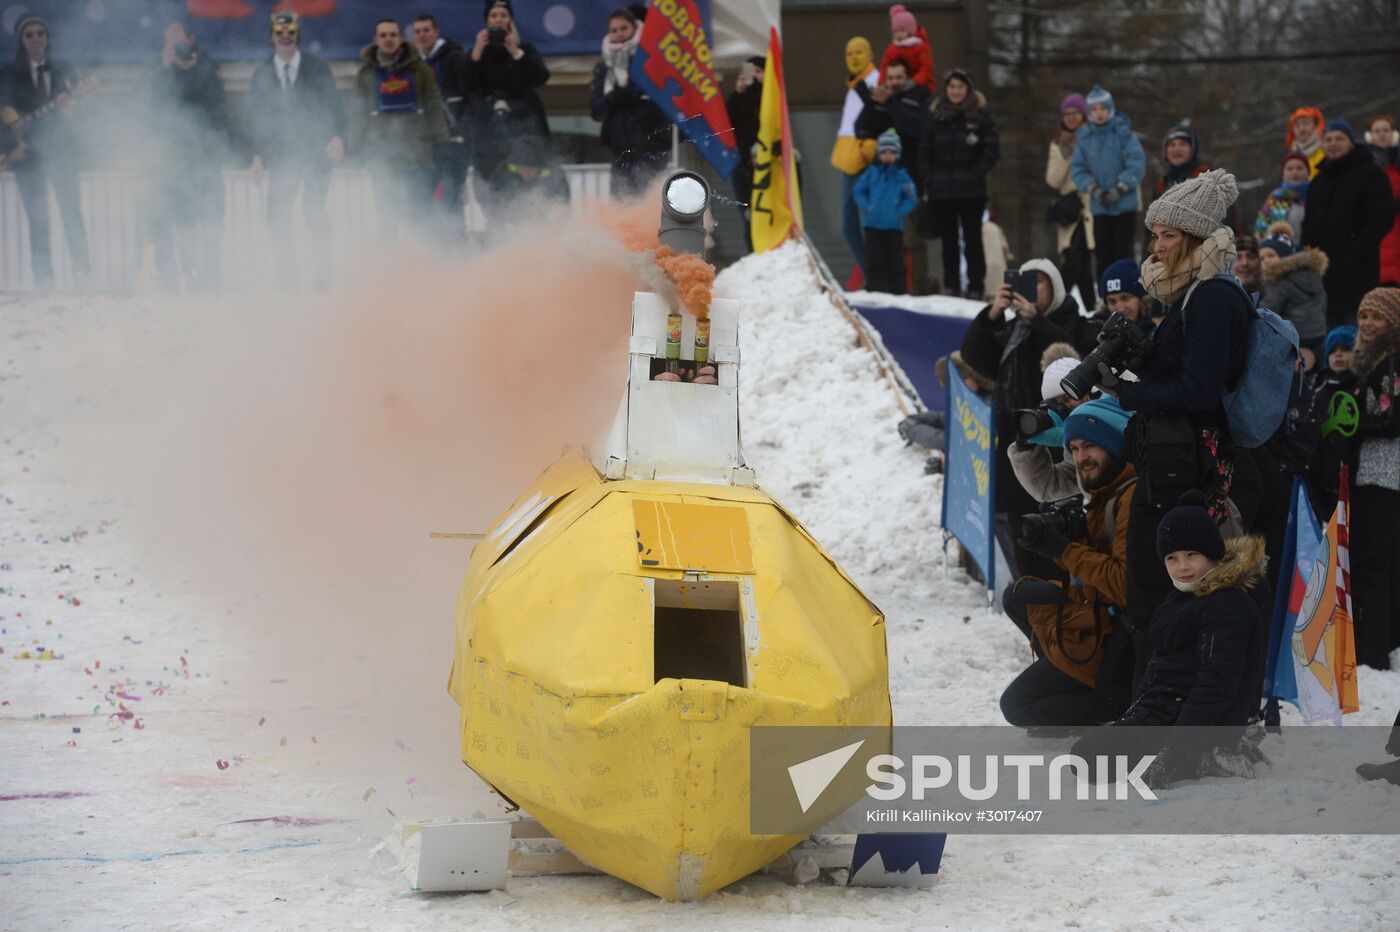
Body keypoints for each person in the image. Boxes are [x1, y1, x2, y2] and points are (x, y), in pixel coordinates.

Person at [1113, 169, 1258, 687]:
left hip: (1197, 469)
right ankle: (1153, 708)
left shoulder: (1213, 296)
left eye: (1168, 236)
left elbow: (1199, 392)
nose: (1158, 246)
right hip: (1176, 464)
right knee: (1156, 594)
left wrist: (1128, 391)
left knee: (1170, 596)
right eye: (1155, 235)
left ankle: (1167, 717)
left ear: (1195, 237)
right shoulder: (1189, 293)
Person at [1000, 396, 1138, 728]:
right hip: (1099, 610)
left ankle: (1114, 699)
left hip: (1122, 630)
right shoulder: (1105, 488)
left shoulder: (1131, 497)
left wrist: (1064, 550)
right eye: (1073, 448)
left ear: (1115, 444)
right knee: (1018, 595)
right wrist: (1063, 540)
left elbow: (1123, 585)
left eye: (1090, 446)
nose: (1080, 458)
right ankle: (1075, 673)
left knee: (1018, 707)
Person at [959, 258, 1085, 581]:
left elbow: (1074, 358)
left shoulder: (1071, 321)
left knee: (1058, 536)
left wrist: (1037, 320)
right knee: (1023, 534)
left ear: (1054, 287)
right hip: (1019, 442)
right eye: (1022, 282)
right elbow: (978, 359)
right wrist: (992, 315)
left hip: (1058, 448)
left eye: (1037, 282)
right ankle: (1034, 606)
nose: (1027, 290)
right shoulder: (1012, 329)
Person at [246, 10, 346, 291]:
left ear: (298, 34)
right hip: (281, 158)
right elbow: (255, 118)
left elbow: (333, 105)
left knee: (314, 214)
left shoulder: (317, 68)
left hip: (315, 154)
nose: (286, 37)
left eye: (290, 32)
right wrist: (256, 157)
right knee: (277, 219)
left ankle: (324, 276)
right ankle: (288, 278)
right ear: (272, 37)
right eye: (280, 33)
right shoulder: (262, 74)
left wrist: (337, 136)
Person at [1, 13, 92, 289]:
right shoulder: (6, 75)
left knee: (71, 212)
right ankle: (43, 277)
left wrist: (71, 106)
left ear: (47, 37)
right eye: (30, 34)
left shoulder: (64, 69)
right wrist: (10, 147)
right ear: (21, 40)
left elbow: (84, 111)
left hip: (61, 152)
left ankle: (83, 271)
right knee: (37, 217)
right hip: (27, 156)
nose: (36, 39)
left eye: (41, 33)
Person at [140, 21, 228, 294]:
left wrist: (191, 70)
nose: (175, 46)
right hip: (168, 160)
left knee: (210, 220)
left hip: (204, 159)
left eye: (180, 39)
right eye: (170, 41)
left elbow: (215, 110)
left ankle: (210, 278)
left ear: (192, 41)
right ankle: (174, 279)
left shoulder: (207, 67)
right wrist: (166, 70)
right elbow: (148, 107)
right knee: (173, 223)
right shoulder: (155, 71)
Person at [349, 19, 449, 240]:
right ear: (375, 40)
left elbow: (434, 106)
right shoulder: (365, 74)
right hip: (382, 159)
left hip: (418, 156)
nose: (388, 39)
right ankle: (392, 266)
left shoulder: (420, 70)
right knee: (387, 216)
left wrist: (442, 141)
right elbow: (357, 113)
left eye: (393, 34)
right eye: (383, 35)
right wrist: (353, 146)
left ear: (400, 38)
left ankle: (425, 264)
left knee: (422, 215)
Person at [1348, 288, 1400, 670]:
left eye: (1376, 317)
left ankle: (1374, 650)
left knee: (1374, 564)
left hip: (1384, 476)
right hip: (1378, 474)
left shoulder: (1392, 361)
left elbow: (1392, 419)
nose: (1367, 324)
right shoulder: (1374, 360)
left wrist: (1350, 426)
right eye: (1363, 316)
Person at [1301, 119, 1396, 328]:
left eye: (1339, 138)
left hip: (1358, 272)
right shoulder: (1318, 180)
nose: (1333, 143)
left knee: (1357, 328)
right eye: (1328, 139)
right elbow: (1308, 221)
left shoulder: (1371, 174)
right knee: (1327, 332)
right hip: (1322, 274)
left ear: (1351, 142)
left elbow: (1382, 217)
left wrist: (1357, 248)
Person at [918, 67, 999, 299]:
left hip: (971, 191)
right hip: (941, 191)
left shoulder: (980, 116)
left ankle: (976, 286)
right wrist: (929, 179)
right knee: (948, 243)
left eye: (960, 87)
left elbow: (991, 150)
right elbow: (924, 152)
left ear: (968, 89)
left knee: (973, 241)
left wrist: (976, 173)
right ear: (946, 90)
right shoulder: (935, 117)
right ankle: (951, 285)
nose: (956, 91)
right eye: (952, 87)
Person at [855, 59, 933, 293]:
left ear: (907, 78)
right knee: (878, 246)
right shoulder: (882, 100)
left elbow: (918, 127)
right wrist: (870, 103)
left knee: (912, 242)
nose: (895, 83)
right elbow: (861, 127)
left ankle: (918, 290)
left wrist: (890, 104)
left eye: (899, 78)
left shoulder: (918, 97)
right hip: (880, 184)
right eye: (891, 78)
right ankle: (879, 287)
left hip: (909, 180)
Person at [468, 0, 551, 207]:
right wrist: (476, 53)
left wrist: (516, 52)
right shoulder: (477, 53)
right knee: (491, 191)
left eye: (503, 15)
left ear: (510, 19)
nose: (499, 20)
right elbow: (466, 84)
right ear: (487, 21)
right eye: (494, 16)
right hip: (488, 134)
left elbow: (540, 77)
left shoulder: (525, 49)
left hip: (524, 131)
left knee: (525, 191)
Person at [1070, 85, 1146, 284]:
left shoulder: (1124, 133)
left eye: (1103, 108)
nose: (1099, 113)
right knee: (1102, 252)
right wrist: (1092, 189)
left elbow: (1136, 163)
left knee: (1123, 251)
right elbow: (1077, 168)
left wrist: (1121, 187)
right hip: (1099, 206)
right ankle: (1105, 295)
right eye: (1094, 110)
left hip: (1125, 204)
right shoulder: (1085, 139)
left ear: (1110, 109)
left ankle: (1129, 289)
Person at [591, 7, 670, 197]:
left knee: (650, 199)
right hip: (619, 145)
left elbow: (664, 100)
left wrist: (633, 98)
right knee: (621, 200)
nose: (619, 34)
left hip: (651, 142)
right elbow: (596, 110)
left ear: (635, 28)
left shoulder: (652, 58)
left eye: (623, 28)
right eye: (614, 30)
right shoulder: (604, 66)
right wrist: (610, 99)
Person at [412, 14, 472, 242]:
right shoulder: (413, 63)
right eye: (417, 31)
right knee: (424, 199)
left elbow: (468, 95)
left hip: (454, 140)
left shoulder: (455, 58)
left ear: (436, 32)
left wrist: (461, 129)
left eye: (426, 30)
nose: (422, 35)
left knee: (450, 196)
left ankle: (457, 249)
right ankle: (433, 249)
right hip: (426, 145)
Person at [831, 36, 879, 279]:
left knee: (863, 224)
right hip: (850, 159)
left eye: (859, 52)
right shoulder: (854, 87)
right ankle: (872, 272)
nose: (854, 57)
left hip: (865, 160)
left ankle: (876, 275)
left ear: (870, 55)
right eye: (849, 54)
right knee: (849, 227)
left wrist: (867, 150)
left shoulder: (875, 82)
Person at [853, 130, 918, 294]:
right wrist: (867, 207)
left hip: (894, 225)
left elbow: (911, 197)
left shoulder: (902, 176)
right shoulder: (871, 173)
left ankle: (898, 291)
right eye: (884, 152)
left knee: (895, 260)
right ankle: (876, 289)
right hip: (872, 224)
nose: (888, 156)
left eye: (892, 153)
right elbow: (859, 191)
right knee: (875, 259)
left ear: (897, 154)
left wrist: (899, 211)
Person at [1046, 94, 1095, 307]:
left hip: (1092, 207)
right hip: (1071, 209)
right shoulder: (1058, 143)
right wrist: (1068, 153)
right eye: (1066, 114)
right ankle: (1085, 306)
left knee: (1079, 261)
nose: (1071, 118)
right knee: (1075, 261)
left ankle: (1062, 303)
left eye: (1075, 113)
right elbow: (1053, 180)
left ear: (1083, 115)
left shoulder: (1095, 139)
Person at [1257, 222, 1328, 355]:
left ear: (1285, 256)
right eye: (1262, 258)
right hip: (1319, 333)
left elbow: (1268, 311)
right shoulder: (1312, 273)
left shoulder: (1278, 280)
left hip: (1294, 335)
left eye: (1271, 255)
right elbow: (1323, 302)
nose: (1265, 261)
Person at [725, 55, 763, 251]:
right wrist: (738, 93)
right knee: (746, 213)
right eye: (750, 72)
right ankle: (751, 252)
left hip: (762, 163)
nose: (753, 77)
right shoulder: (740, 97)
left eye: (758, 71)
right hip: (741, 162)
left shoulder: (767, 95)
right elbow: (726, 122)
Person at [1366, 114, 1400, 286]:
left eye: (1386, 130)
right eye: (1377, 131)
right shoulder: (1365, 167)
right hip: (1378, 233)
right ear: (1370, 135)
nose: (1382, 134)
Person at [1253, 151, 1309, 240]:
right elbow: (1261, 230)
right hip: (1281, 252)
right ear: (1283, 174)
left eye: (1299, 168)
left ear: (1308, 172)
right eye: (1290, 169)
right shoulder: (1275, 199)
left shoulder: (1315, 196)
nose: (1295, 172)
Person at [878, 4, 933, 91]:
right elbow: (884, 66)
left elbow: (926, 68)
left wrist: (915, 81)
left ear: (910, 31)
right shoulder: (892, 48)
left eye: (902, 30)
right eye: (895, 31)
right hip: (897, 84)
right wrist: (881, 82)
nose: (899, 34)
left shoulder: (921, 47)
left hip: (921, 85)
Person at [1286, 106, 1326, 179]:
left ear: (1316, 125)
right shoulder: (1292, 157)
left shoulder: (1327, 149)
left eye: (1306, 123)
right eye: (1297, 125)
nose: (1301, 129)